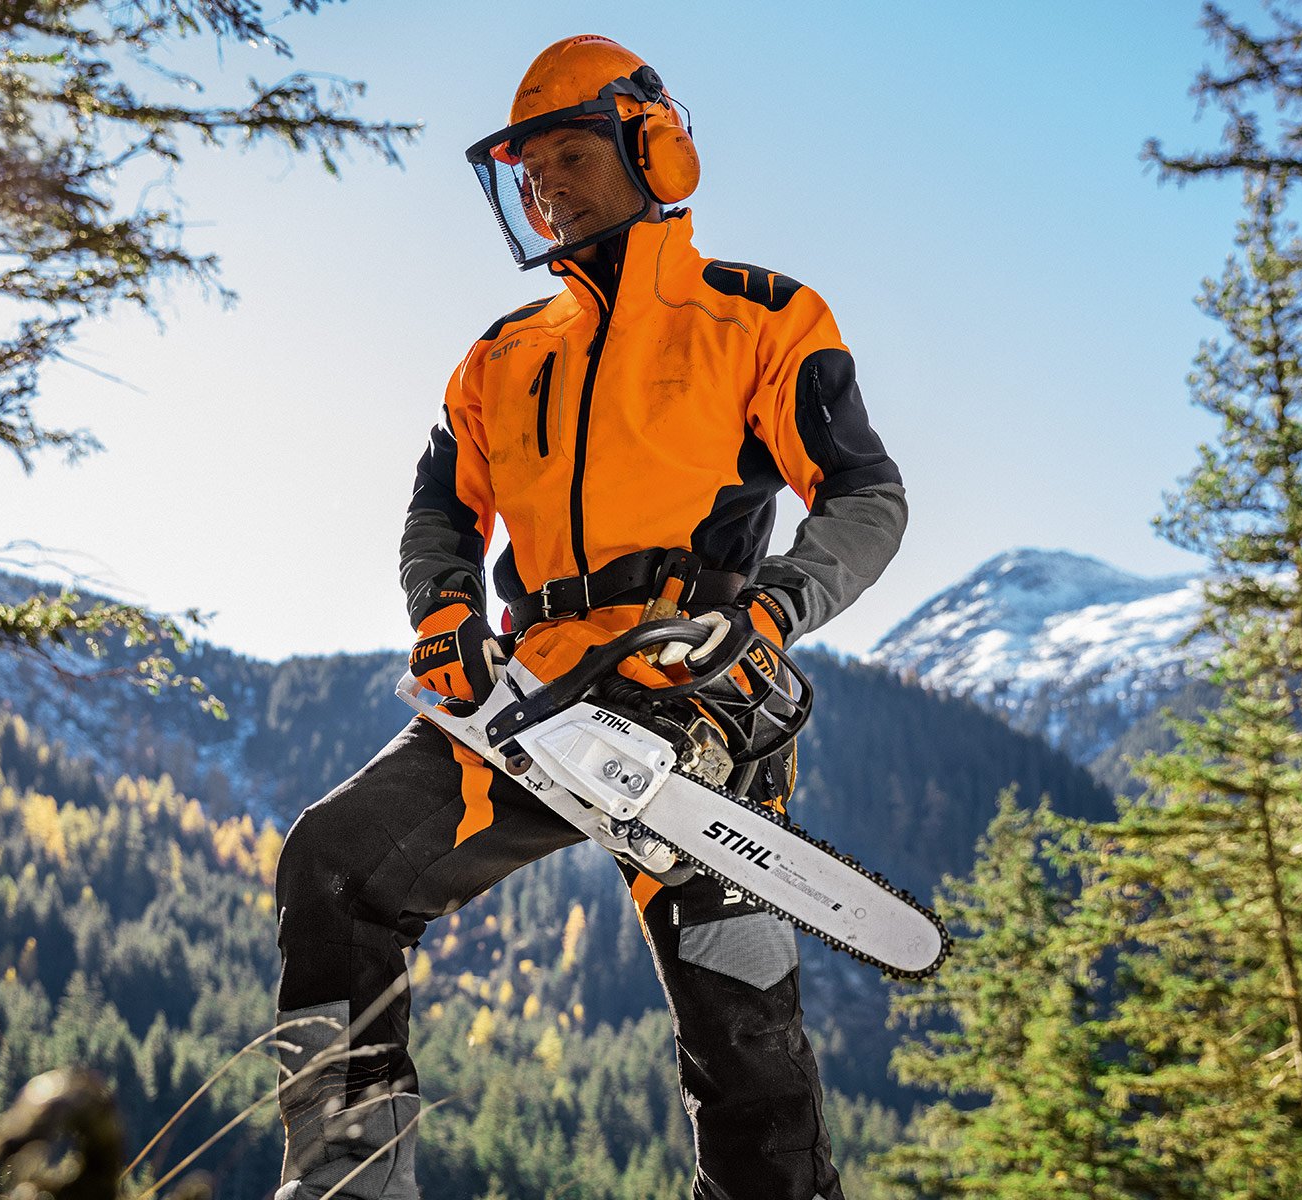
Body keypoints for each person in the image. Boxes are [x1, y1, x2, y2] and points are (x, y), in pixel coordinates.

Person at [271, 34, 906, 1200]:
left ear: (652, 149)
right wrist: (444, 607)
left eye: (569, 155)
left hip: (687, 699)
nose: (546, 188)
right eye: (529, 173)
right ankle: (344, 1180)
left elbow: (866, 496)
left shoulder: (759, 319)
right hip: (528, 702)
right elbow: (439, 514)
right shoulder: (501, 356)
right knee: (334, 866)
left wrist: (770, 614)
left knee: (741, 1032)